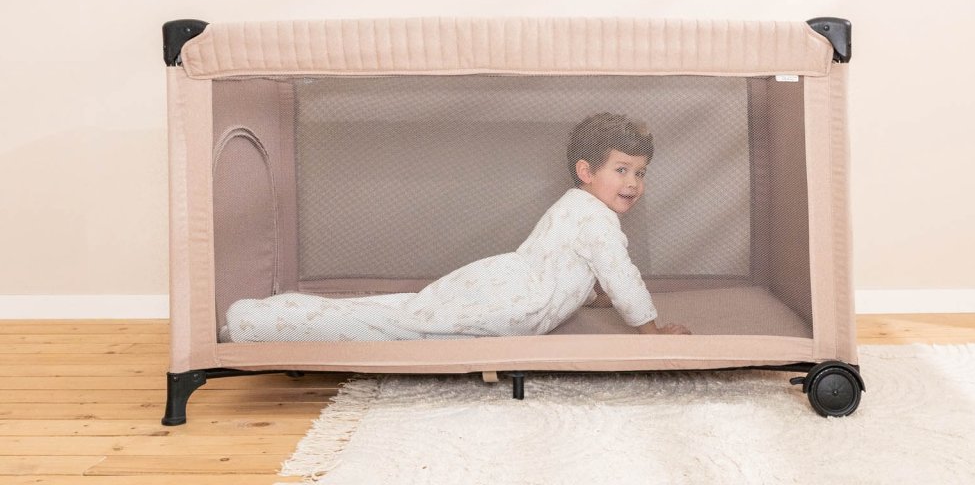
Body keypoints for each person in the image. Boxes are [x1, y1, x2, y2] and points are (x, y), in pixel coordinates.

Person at [224, 112, 690, 342]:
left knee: (401, 311)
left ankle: (264, 315)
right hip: (513, 304)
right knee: (400, 328)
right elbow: (621, 275)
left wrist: (590, 296)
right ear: (587, 172)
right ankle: (254, 325)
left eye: (641, 172)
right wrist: (652, 333)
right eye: (622, 170)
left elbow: (563, 264)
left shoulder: (574, 205)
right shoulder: (599, 221)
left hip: (498, 277)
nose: (633, 183)